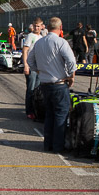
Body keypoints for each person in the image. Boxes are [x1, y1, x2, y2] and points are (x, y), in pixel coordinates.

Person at [28, 17, 76, 153]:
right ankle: (58, 146)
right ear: (61, 29)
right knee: (61, 115)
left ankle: (47, 144)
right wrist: (71, 76)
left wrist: (38, 70)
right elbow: (71, 62)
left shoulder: (39, 42)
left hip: (45, 83)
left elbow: (30, 60)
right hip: (59, 83)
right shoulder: (62, 42)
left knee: (49, 115)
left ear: (47, 28)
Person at [22, 18, 44, 119]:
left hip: (40, 67)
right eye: (35, 26)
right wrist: (26, 65)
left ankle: (36, 110)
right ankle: (29, 111)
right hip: (31, 66)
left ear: (42, 26)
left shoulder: (42, 37)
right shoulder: (30, 36)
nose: (37, 28)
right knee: (30, 89)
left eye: (38, 26)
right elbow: (25, 50)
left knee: (37, 90)